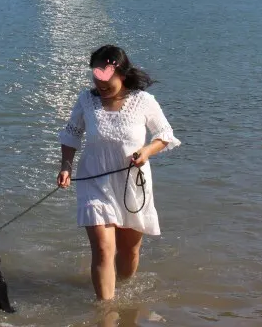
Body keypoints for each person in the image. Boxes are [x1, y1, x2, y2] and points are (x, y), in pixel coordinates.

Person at [57, 44, 180, 301]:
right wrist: (66, 167)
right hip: (94, 181)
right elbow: (71, 135)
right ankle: (106, 311)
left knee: (129, 252)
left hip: (132, 184)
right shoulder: (86, 100)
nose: (100, 84)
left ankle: (122, 292)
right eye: (96, 76)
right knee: (103, 249)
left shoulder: (143, 101)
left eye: (106, 78)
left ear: (121, 74)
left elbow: (165, 136)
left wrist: (146, 151)